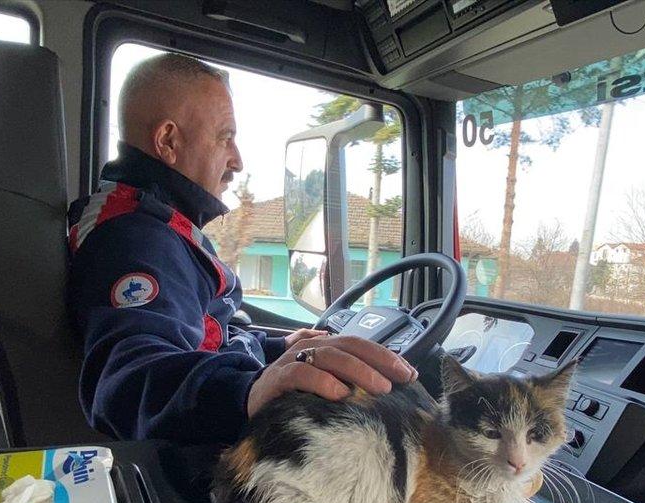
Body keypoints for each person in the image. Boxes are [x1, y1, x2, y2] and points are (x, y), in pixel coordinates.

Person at [67, 53, 416, 444]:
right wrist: (248, 391)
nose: (237, 161)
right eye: (225, 138)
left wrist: (277, 347)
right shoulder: (134, 238)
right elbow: (128, 380)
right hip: (191, 462)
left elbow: (202, 336)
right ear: (168, 141)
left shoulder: (156, 222)